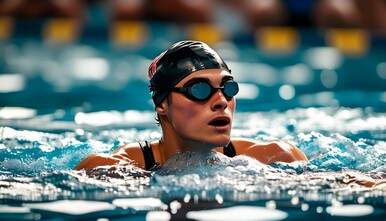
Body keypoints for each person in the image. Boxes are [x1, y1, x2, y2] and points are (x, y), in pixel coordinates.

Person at [74, 40, 308, 171]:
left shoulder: (278, 157)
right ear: (162, 104)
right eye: (199, 90)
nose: (220, 102)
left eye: (228, 89)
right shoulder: (111, 169)